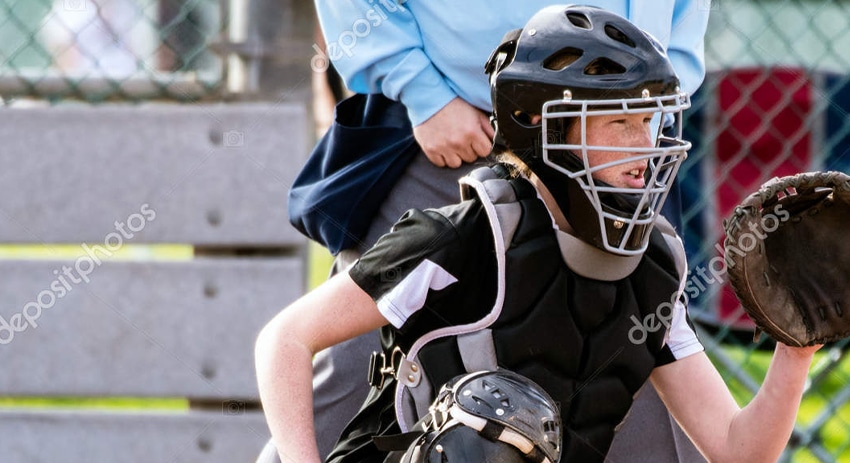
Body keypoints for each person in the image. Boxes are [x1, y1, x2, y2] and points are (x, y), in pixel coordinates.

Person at [257, 6, 818, 463]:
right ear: (546, 129)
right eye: (621, 122)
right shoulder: (459, 241)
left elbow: (739, 451)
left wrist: (795, 352)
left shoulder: (652, 268)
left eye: (650, 121)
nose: (646, 145)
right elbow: (284, 339)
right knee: (484, 430)